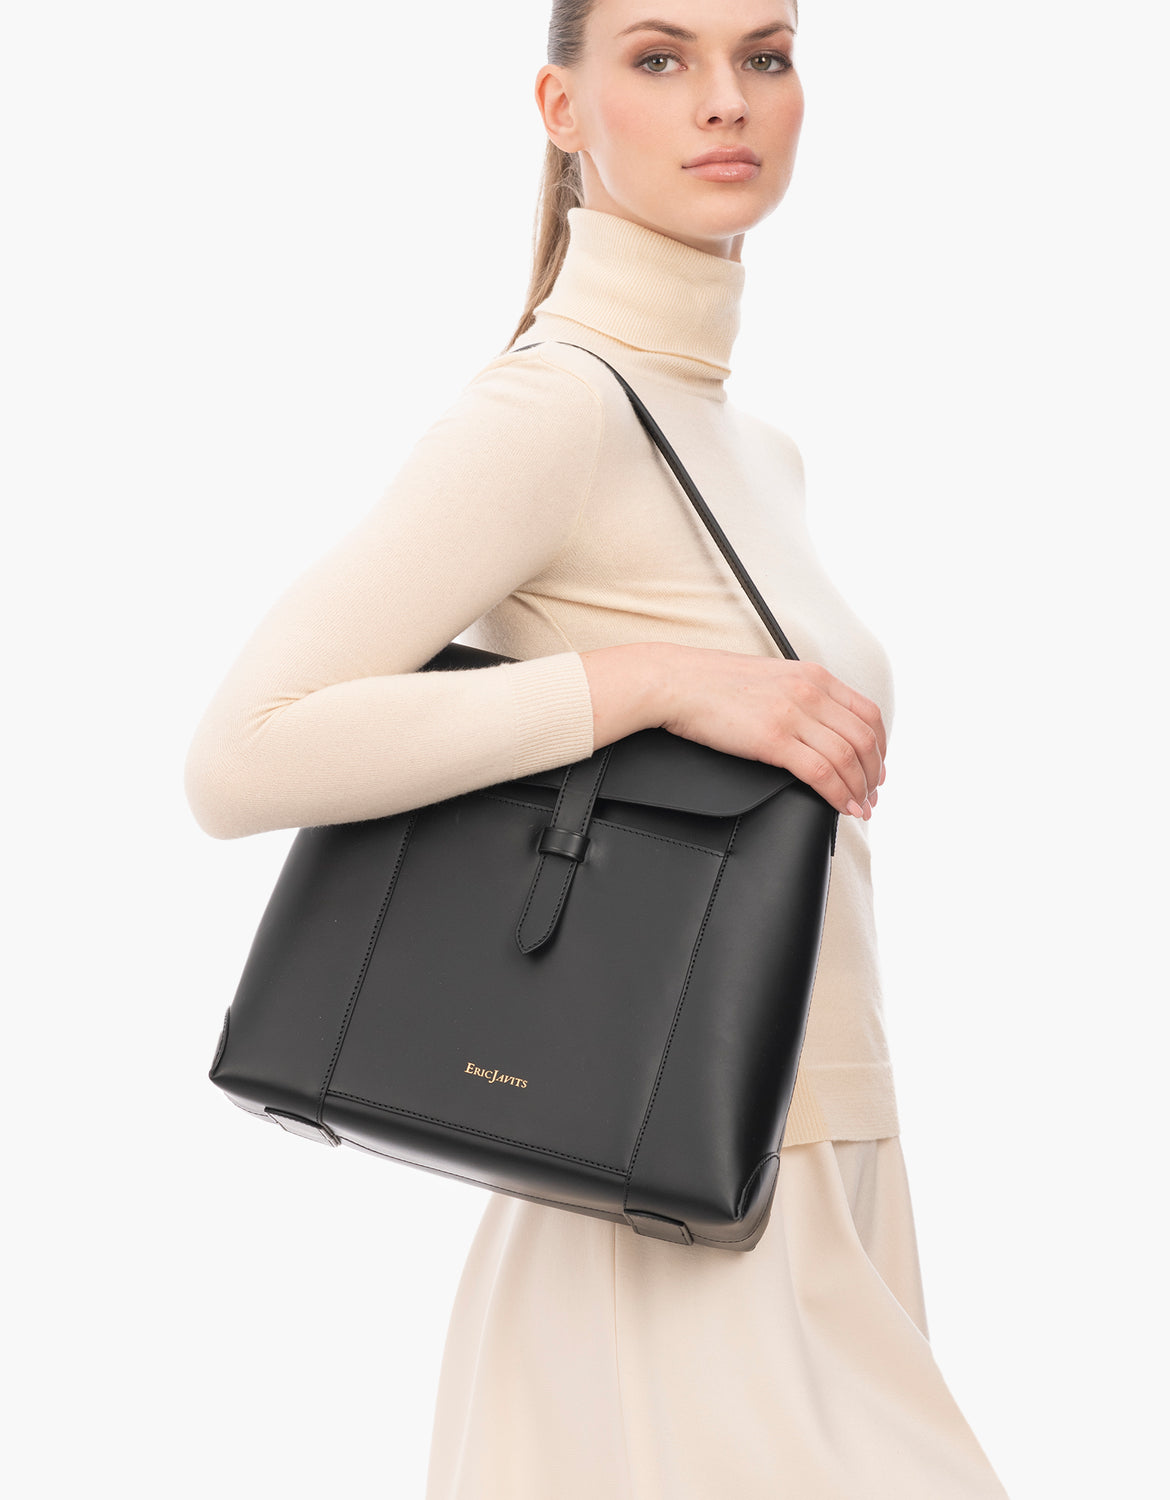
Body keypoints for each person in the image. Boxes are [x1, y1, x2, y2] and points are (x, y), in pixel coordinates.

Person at [183, 1, 1012, 1494]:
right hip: (673, 1230)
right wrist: (646, 684)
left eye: (765, 55)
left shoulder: (751, 448)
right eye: (660, 57)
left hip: (815, 1159)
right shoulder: (555, 409)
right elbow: (244, 754)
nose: (727, 100)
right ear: (561, 109)